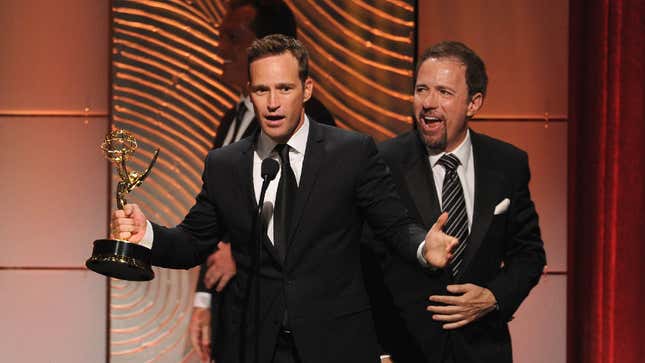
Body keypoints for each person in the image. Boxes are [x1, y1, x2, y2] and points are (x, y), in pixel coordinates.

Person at [110, 34, 456, 363]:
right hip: (257, 345)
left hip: (336, 345)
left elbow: (394, 226)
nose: (272, 103)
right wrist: (148, 235)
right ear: (250, 92)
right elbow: (193, 242)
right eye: (262, 90)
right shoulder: (226, 165)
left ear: (306, 89)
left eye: (284, 89)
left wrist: (424, 247)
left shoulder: (352, 153)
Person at [362, 41, 546, 363]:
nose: (428, 103)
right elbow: (363, 263)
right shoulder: (382, 162)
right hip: (405, 352)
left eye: (444, 93)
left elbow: (529, 254)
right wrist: (378, 350)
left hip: (484, 350)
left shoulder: (507, 164)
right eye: (421, 90)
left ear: (474, 103)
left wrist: (493, 296)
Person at [192, 2, 335, 360]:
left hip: (281, 321)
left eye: (232, 37)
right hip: (234, 314)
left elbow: (312, 214)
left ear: (269, 46)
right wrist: (203, 300)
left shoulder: (311, 119)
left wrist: (242, 253)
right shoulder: (231, 119)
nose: (220, 48)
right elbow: (214, 217)